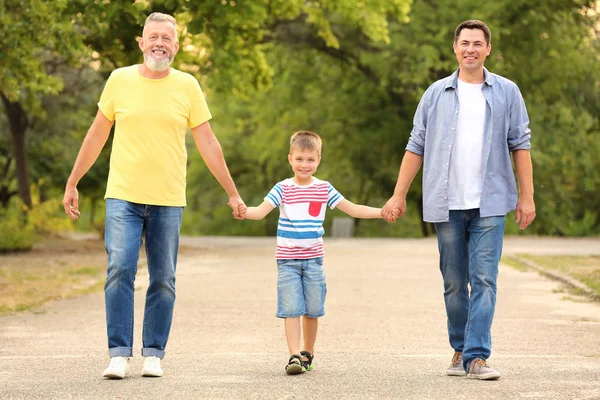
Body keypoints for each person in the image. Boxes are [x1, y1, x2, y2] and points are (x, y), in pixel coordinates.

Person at [62, 12, 245, 379]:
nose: (159, 42)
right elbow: (97, 134)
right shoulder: (119, 80)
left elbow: (208, 142)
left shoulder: (188, 86)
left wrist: (232, 192)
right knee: (120, 270)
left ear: (175, 47)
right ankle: (118, 353)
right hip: (123, 196)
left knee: (163, 278)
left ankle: (153, 353)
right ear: (142, 43)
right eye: (153, 36)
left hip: (167, 199)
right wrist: (73, 182)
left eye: (167, 37)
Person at [382, 20, 535, 380]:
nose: (470, 49)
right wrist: (399, 193)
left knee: (484, 279)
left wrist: (526, 197)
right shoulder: (435, 93)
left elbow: (521, 144)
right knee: (453, 281)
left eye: (477, 43)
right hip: (446, 202)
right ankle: (460, 348)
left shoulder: (507, 92)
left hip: (491, 203)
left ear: (488, 49)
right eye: (464, 43)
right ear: (455, 48)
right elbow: (415, 145)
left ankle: (477, 356)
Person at [238, 131, 386, 374]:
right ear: (290, 159)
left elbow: (353, 209)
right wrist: (242, 210)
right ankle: (294, 357)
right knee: (291, 308)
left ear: (318, 160)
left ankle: (308, 353)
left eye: (310, 160)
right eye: (299, 159)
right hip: (287, 261)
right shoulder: (282, 188)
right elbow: (260, 211)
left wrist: (383, 211)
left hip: (314, 261)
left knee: (313, 309)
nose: (304, 165)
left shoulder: (324, 188)